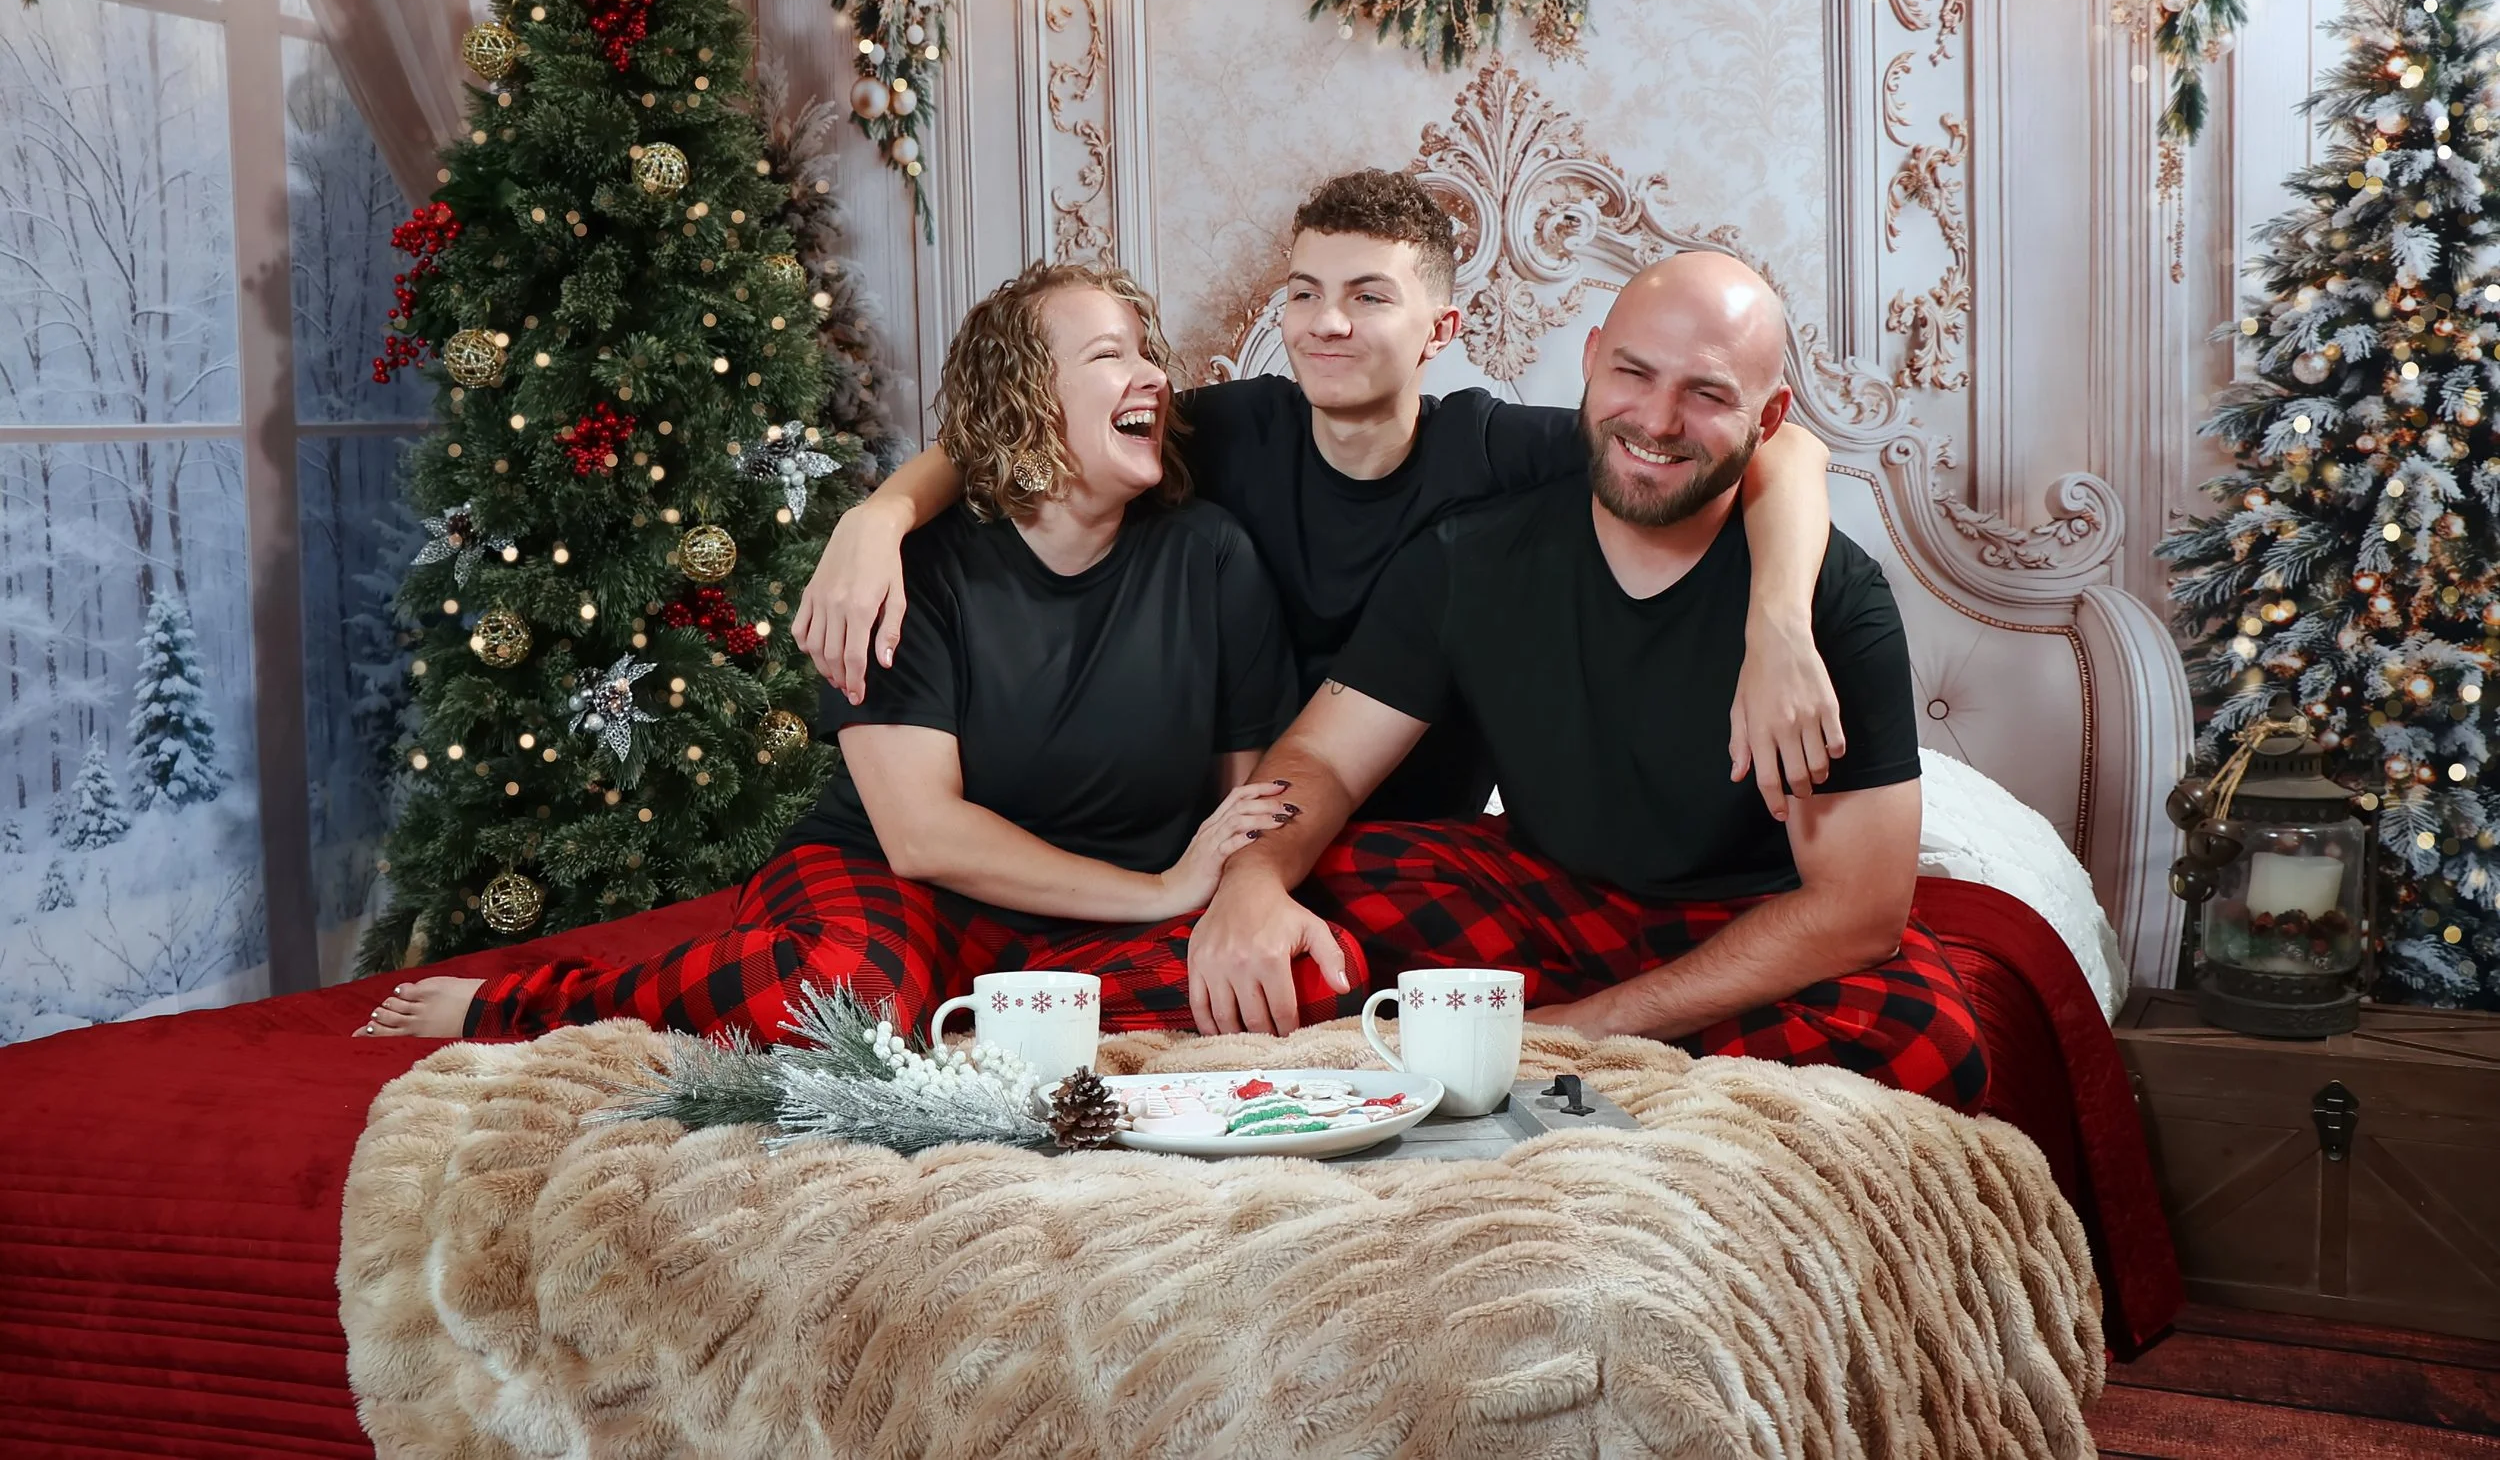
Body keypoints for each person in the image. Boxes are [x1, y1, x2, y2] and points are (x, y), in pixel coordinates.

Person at [798, 171, 1846, 1010]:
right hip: (1249, 825)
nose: (1326, 322)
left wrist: (1779, 624)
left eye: (1368, 295)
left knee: (1359, 978)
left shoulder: (1503, 452)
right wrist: (881, 513)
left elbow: (1779, 448)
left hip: (1387, 841)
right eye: (1303, 292)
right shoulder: (1220, 434)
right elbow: (1022, 425)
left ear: (1440, 329)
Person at [361, 261, 1342, 1042]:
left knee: (1291, 965)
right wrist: (1163, 892)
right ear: (1024, 399)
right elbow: (922, 834)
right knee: (846, 989)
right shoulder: (913, 570)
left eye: (1145, 353)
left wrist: (1207, 896)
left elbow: (1240, 804)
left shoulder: (1213, 556)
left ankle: (978, 1005)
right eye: (1104, 355)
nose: (1151, 375)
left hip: (1095, 907)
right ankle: (539, 1003)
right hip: (894, 881)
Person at [1186, 252, 1988, 1110]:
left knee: (1930, 1037)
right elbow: (1325, 759)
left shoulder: (1832, 599)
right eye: (1633, 373)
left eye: (1708, 394)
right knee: (1327, 877)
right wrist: (1253, 881)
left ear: (1771, 417)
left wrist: (1584, 1028)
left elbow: (1858, 911)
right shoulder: (1470, 554)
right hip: (1546, 905)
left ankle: (1529, 1045)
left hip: (1747, 926)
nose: (1658, 418)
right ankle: (1620, 1052)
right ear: (1591, 359)